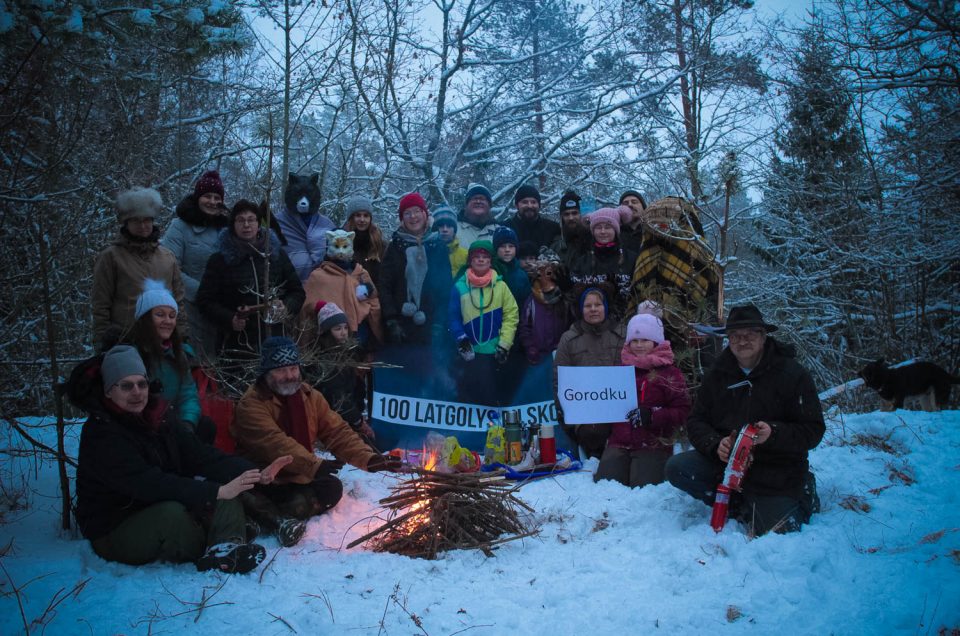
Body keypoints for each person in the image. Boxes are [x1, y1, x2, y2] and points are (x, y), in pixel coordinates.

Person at [68, 345, 291, 573]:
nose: (137, 392)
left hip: (156, 504)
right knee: (174, 514)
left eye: (142, 384)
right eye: (126, 386)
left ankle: (227, 546)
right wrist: (213, 492)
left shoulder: (158, 418)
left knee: (227, 490)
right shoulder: (102, 434)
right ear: (108, 391)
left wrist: (254, 472)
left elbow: (200, 455)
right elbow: (149, 484)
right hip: (114, 526)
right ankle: (216, 537)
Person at [664, 305, 825, 536]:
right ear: (728, 339)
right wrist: (714, 444)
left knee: (777, 533)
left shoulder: (792, 374)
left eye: (749, 335)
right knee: (677, 468)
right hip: (727, 465)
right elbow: (696, 421)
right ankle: (738, 502)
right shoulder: (716, 374)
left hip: (776, 471)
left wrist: (774, 433)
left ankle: (801, 493)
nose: (742, 341)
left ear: (763, 336)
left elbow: (813, 430)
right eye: (735, 336)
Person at [230, 337, 402, 545]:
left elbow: (337, 431)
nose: (289, 376)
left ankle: (262, 516)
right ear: (267, 373)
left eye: (293, 369)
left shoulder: (309, 396)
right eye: (281, 371)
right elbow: (275, 443)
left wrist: (370, 459)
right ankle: (273, 520)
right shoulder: (252, 404)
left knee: (331, 489)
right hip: (263, 475)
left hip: (298, 473)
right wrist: (315, 465)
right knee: (250, 490)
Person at [195, 200, 305, 357]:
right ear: (233, 224)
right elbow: (204, 301)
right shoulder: (220, 260)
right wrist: (230, 319)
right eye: (240, 220)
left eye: (251, 219)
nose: (246, 225)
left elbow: (297, 291)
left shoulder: (276, 255)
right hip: (237, 345)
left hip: (276, 339)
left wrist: (286, 308)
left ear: (259, 223)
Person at [595, 312, 690, 488]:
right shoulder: (620, 371)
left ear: (656, 342)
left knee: (643, 489)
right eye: (634, 341)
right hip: (619, 442)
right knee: (605, 487)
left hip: (653, 443)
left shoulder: (669, 373)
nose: (639, 345)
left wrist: (654, 416)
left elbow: (683, 410)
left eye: (644, 340)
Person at [92, 187, 185, 349]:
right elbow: (101, 303)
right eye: (136, 220)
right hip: (125, 343)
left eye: (146, 220)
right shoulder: (111, 257)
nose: (143, 226)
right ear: (126, 223)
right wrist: (103, 341)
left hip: (164, 343)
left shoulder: (167, 257)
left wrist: (182, 336)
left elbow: (179, 300)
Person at [120, 279, 212, 441]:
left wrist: (187, 424)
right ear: (145, 318)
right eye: (160, 315)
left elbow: (188, 395)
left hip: (174, 425)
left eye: (172, 316)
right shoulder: (130, 355)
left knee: (206, 426)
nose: (168, 321)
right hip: (142, 430)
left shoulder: (179, 354)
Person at [160, 170, 230, 360]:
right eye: (207, 196)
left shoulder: (227, 228)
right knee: (197, 364)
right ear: (197, 197)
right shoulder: (180, 227)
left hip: (224, 311)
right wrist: (202, 292)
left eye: (217, 197)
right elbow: (169, 268)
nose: (213, 201)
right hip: (190, 309)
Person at [553, 287, 625, 459]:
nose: (593, 309)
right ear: (581, 309)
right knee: (593, 433)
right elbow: (559, 381)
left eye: (598, 304)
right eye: (588, 306)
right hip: (584, 410)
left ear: (605, 307)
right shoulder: (569, 339)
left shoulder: (622, 334)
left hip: (617, 407)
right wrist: (567, 414)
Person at [449, 241, 519, 406]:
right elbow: (453, 316)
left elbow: (511, 315)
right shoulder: (459, 287)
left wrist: (505, 343)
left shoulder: (501, 287)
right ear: (470, 261)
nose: (480, 260)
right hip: (468, 354)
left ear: (490, 261)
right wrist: (461, 339)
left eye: (485, 257)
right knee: (467, 399)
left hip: (494, 354)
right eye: (476, 257)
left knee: (491, 398)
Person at [379, 192, 454, 346]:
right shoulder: (394, 247)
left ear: (425, 215)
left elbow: (445, 288)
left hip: (431, 326)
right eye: (407, 213)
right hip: (400, 326)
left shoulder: (438, 245)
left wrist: (439, 323)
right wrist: (391, 320)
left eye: (417, 211)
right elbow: (384, 285)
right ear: (401, 219)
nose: (413, 217)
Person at [307, 301, 376, 445]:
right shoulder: (325, 361)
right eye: (337, 329)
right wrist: (358, 421)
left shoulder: (348, 352)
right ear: (327, 332)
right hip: (333, 421)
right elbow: (337, 397)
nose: (343, 332)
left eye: (345, 327)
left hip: (349, 415)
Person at [300, 229, 383, 347]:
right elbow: (307, 311)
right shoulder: (318, 276)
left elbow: (374, 301)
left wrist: (375, 335)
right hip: (328, 342)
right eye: (336, 246)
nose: (340, 251)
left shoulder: (360, 273)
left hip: (361, 335)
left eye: (345, 246)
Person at [565, 206, 637, 321]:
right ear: (593, 231)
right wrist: (566, 285)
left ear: (616, 230)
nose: (603, 231)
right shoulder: (582, 261)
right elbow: (573, 297)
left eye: (608, 227)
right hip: (590, 325)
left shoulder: (631, 258)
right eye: (598, 227)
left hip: (623, 325)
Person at [275, 173, 336, 282]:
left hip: (324, 291)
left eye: (308, 195)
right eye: (298, 194)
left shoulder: (327, 226)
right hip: (288, 292)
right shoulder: (276, 224)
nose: (303, 201)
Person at [518, 249, 572, 365]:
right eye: (541, 272)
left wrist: (564, 346)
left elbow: (572, 324)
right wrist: (530, 347)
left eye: (550, 272)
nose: (546, 276)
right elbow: (524, 326)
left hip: (561, 355)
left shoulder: (565, 299)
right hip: (538, 357)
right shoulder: (532, 300)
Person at [342, 195, 386, 289]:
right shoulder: (341, 242)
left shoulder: (380, 245)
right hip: (348, 296)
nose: (362, 220)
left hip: (375, 298)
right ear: (351, 218)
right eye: (358, 215)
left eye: (366, 216)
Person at [502, 184, 560, 251]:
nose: (529, 206)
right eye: (525, 202)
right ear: (516, 205)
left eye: (533, 202)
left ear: (539, 205)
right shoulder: (505, 228)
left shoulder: (552, 228)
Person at [492, 226, 532, 310]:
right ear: (496, 249)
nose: (507, 250)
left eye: (511, 246)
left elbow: (526, 303)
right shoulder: (491, 271)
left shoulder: (521, 275)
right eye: (502, 246)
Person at [549, 189, 591, 264]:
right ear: (562, 217)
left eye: (574, 213)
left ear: (581, 214)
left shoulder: (593, 239)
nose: (571, 218)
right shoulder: (556, 247)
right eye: (566, 214)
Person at [432, 204, 468, 279]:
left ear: (454, 229)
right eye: (441, 226)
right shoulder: (426, 253)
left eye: (449, 226)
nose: (445, 229)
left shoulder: (466, 255)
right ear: (435, 229)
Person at [617, 189, 647, 253]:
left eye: (634, 202)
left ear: (643, 208)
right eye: (625, 203)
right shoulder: (614, 232)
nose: (630, 205)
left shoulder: (653, 231)